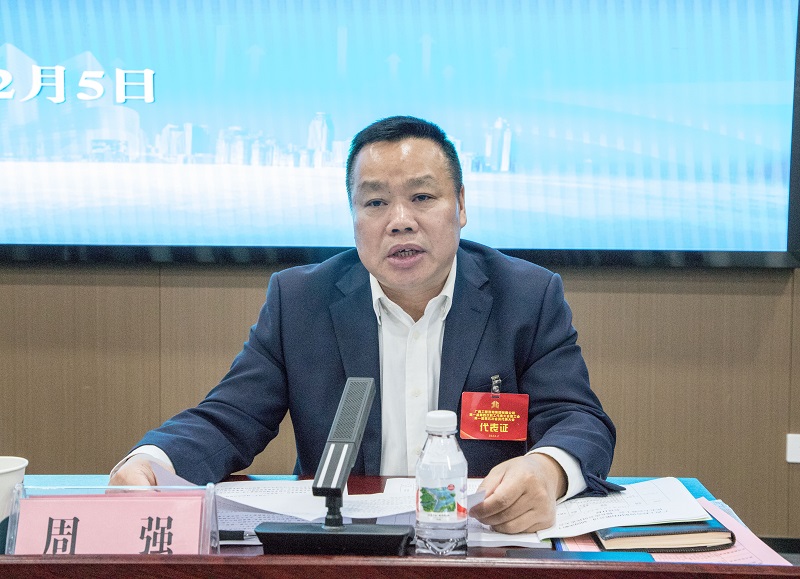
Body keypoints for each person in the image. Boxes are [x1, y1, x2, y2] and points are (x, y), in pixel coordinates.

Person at [110, 115, 618, 534]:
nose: (400, 220)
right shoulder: (300, 301)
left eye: (422, 198)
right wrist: (153, 462)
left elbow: (579, 419)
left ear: (461, 205)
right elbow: (228, 418)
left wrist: (547, 470)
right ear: (353, 215)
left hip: (480, 543)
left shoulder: (525, 296)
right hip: (346, 549)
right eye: (375, 202)